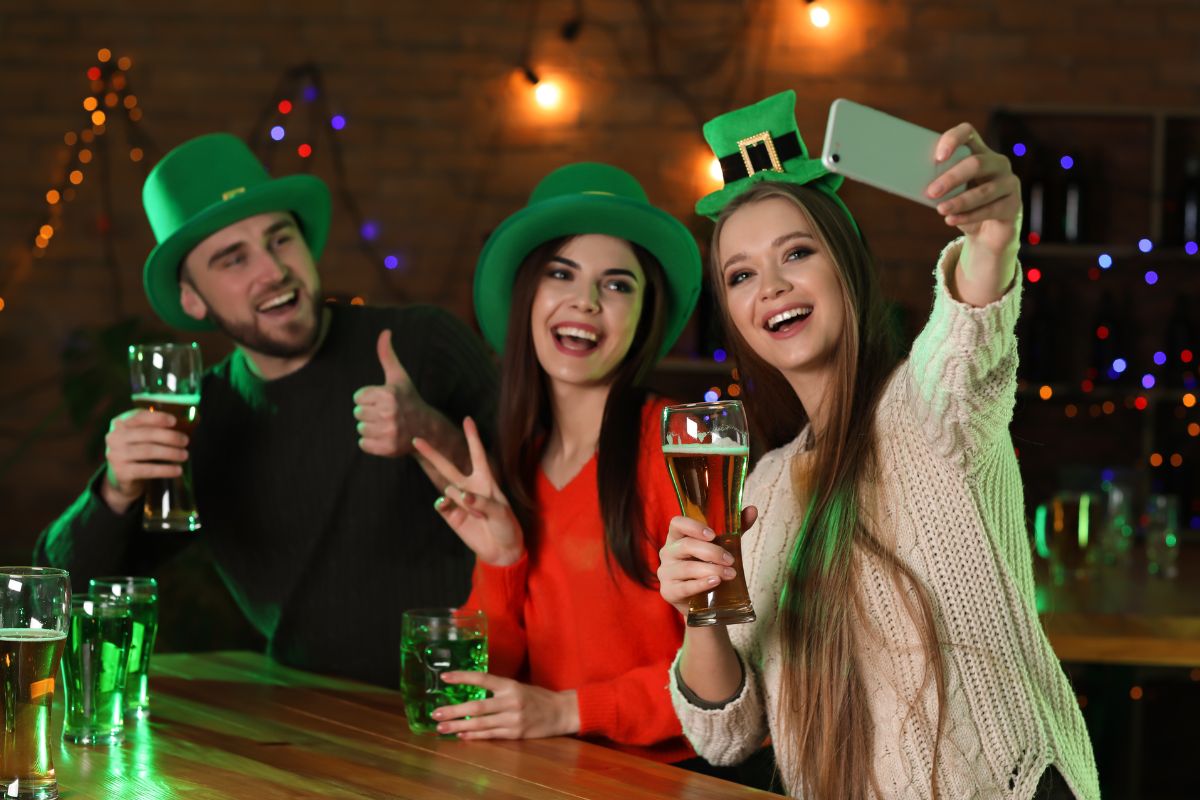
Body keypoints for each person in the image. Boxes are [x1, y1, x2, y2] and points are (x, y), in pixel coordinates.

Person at [657, 91, 1100, 799]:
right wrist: (700, 611)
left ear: (846, 268)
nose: (771, 287)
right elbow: (724, 734)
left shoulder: (928, 409)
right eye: (741, 275)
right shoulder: (762, 486)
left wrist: (991, 238)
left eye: (796, 253)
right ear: (734, 314)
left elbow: (968, 338)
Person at [35, 133, 497, 688]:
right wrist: (114, 492)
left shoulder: (423, 345)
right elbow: (55, 598)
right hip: (307, 714)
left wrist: (432, 434)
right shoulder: (201, 419)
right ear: (192, 299)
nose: (273, 270)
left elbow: (544, 508)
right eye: (234, 259)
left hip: (463, 703)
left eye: (281, 239)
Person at [410, 162, 708, 763]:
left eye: (618, 284)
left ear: (644, 315)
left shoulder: (684, 445)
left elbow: (730, 676)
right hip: (548, 772)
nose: (586, 301)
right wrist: (501, 562)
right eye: (560, 273)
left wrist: (567, 709)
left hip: (676, 777)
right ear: (528, 297)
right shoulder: (514, 460)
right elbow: (488, 678)